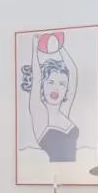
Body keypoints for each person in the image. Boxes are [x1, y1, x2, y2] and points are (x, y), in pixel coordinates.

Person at [26, 31, 79, 161]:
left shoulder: (63, 111)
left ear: (66, 89)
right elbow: (37, 76)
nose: (56, 88)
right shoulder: (39, 112)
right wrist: (34, 48)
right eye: (50, 82)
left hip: (74, 171)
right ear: (42, 85)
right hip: (51, 170)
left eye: (62, 84)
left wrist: (59, 46)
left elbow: (73, 71)